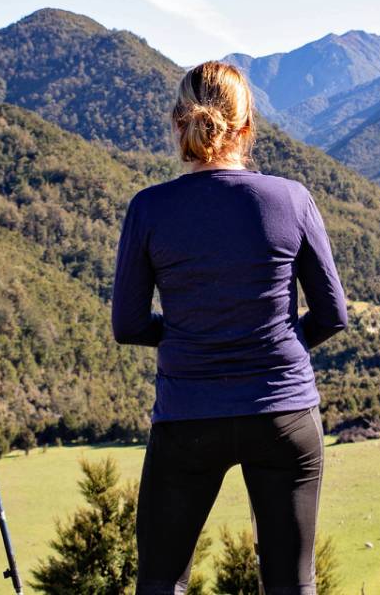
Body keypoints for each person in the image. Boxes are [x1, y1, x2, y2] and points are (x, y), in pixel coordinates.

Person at [112, 61, 350, 594]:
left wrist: (186, 338)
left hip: (188, 415)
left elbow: (128, 324)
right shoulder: (291, 199)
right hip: (284, 413)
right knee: (292, 583)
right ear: (247, 128)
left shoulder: (149, 208)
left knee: (160, 582)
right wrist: (279, 345)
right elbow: (333, 314)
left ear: (178, 123)